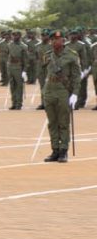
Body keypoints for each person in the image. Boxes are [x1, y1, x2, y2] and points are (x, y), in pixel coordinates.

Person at [42, 31, 80, 163]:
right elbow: (43, 72)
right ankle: (55, 150)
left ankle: (64, 151)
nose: (54, 42)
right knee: (52, 123)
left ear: (63, 40)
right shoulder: (47, 55)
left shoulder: (71, 55)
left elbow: (76, 76)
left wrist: (75, 93)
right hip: (49, 90)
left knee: (63, 122)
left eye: (57, 39)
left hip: (63, 90)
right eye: (53, 39)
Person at [6, 30, 28, 110]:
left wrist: (25, 71)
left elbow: (25, 60)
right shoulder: (9, 45)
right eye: (13, 35)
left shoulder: (23, 46)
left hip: (19, 67)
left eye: (16, 35)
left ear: (20, 36)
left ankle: (19, 103)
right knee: (12, 86)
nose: (15, 37)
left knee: (19, 86)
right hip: (11, 67)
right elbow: (8, 55)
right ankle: (14, 103)